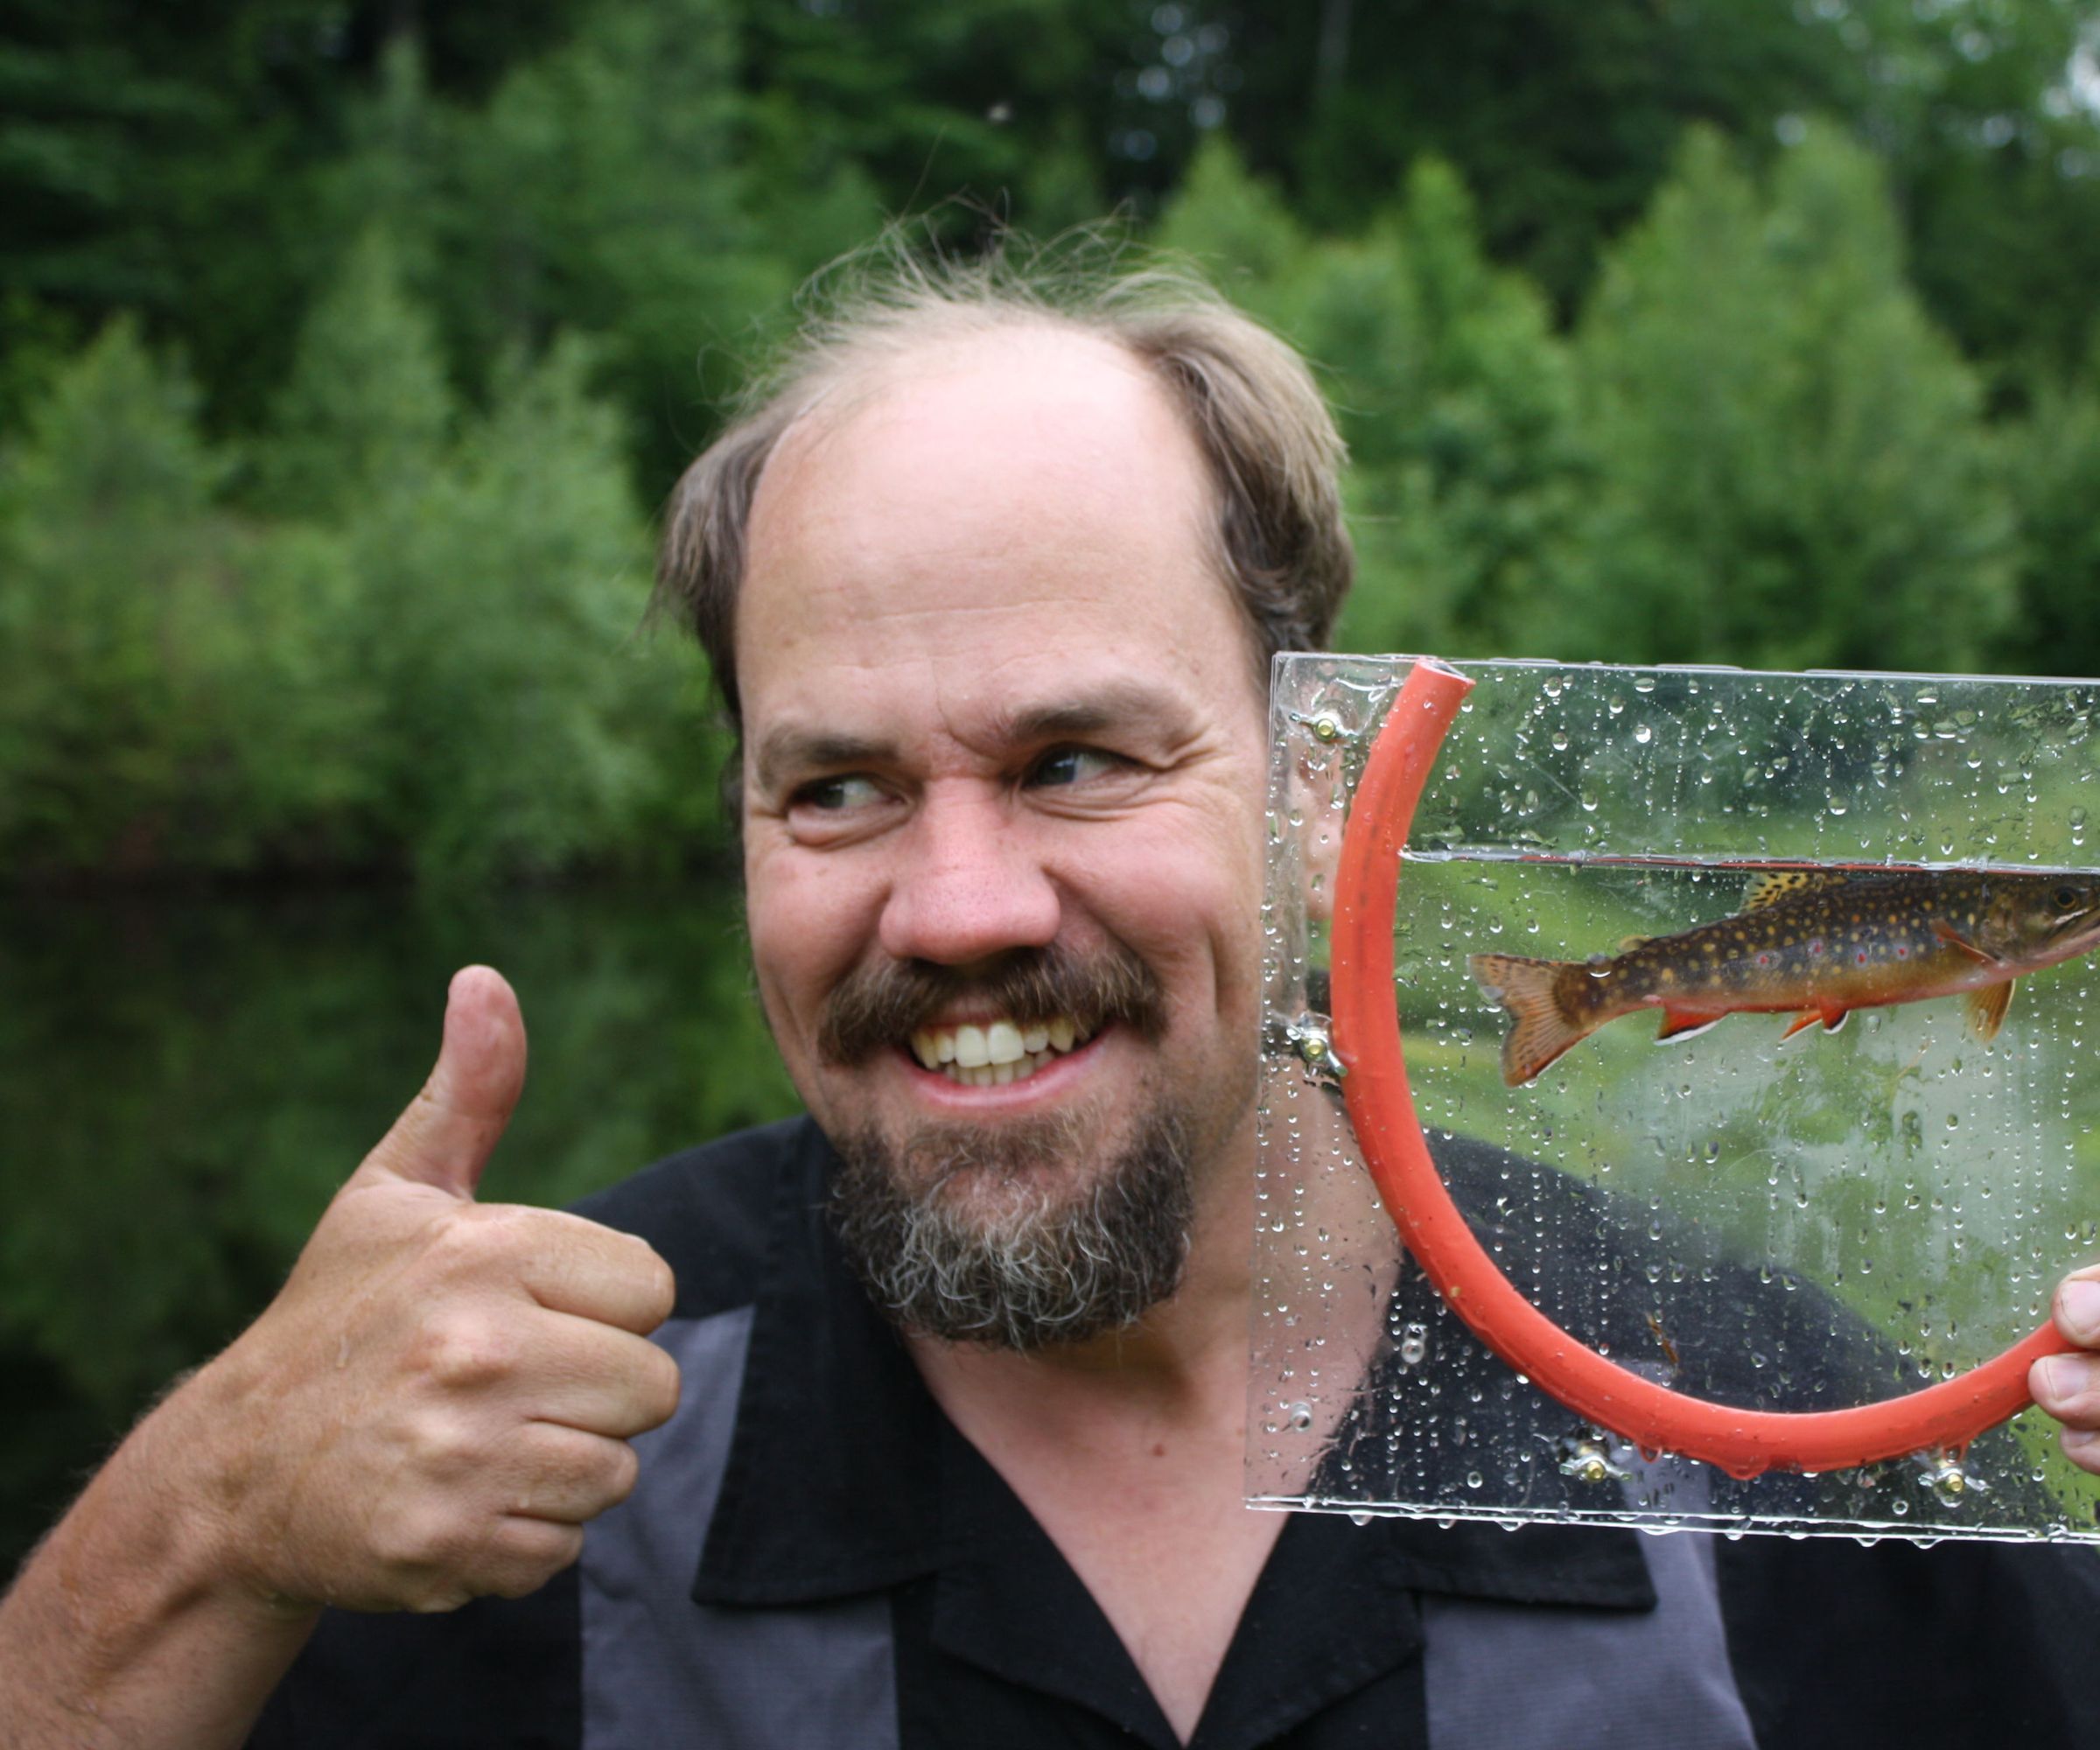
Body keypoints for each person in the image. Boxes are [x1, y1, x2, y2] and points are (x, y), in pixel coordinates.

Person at [7, 248, 2100, 1749]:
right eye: (834, 787)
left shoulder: (1772, 1424)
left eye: (1076, 760)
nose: (961, 903)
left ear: (1312, 793)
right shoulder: (517, 1463)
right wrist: (206, 1520)